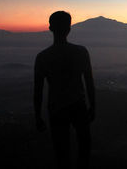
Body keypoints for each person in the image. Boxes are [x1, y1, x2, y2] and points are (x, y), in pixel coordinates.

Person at [34, 11, 95, 169]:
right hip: (78, 105)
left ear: (50, 28)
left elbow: (38, 90)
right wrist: (93, 106)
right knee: (84, 146)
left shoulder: (42, 57)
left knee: (61, 152)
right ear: (69, 28)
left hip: (56, 108)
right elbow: (89, 81)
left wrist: (37, 116)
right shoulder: (81, 52)